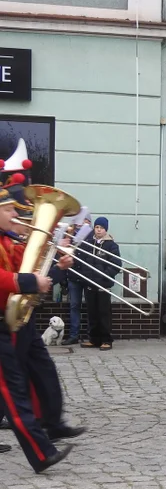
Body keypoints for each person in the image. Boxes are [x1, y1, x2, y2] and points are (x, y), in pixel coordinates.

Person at [5, 173, 85, 441]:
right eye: (15, 215)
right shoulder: (8, 243)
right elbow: (21, 277)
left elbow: (38, 278)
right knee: (11, 379)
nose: (26, 225)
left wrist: (58, 267)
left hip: (23, 316)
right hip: (8, 318)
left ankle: (53, 422)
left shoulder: (17, 243)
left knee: (44, 370)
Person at [0, 178, 72, 472]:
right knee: (15, 395)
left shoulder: (6, 241)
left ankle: (45, 446)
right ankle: (42, 454)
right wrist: (29, 281)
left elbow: (30, 271)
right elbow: (16, 279)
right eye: (8, 210)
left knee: (16, 391)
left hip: (6, 324)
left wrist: (54, 265)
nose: (15, 215)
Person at [79, 217, 120, 351]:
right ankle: (94, 339)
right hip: (90, 284)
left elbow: (116, 265)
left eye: (101, 228)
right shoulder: (88, 243)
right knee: (92, 313)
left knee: (104, 313)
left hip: (103, 285)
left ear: (105, 229)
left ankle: (106, 340)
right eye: (96, 227)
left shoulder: (111, 245)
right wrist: (87, 276)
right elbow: (83, 261)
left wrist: (103, 276)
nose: (98, 230)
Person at [62, 219, 90, 346]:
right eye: (79, 221)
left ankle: (91, 335)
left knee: (91, 306)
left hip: (88, 276)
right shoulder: (70, 234)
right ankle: (74, 335)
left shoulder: (92, 235)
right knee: (74, 306)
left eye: (84, 220)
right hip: (74, 276)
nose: (81, 223)